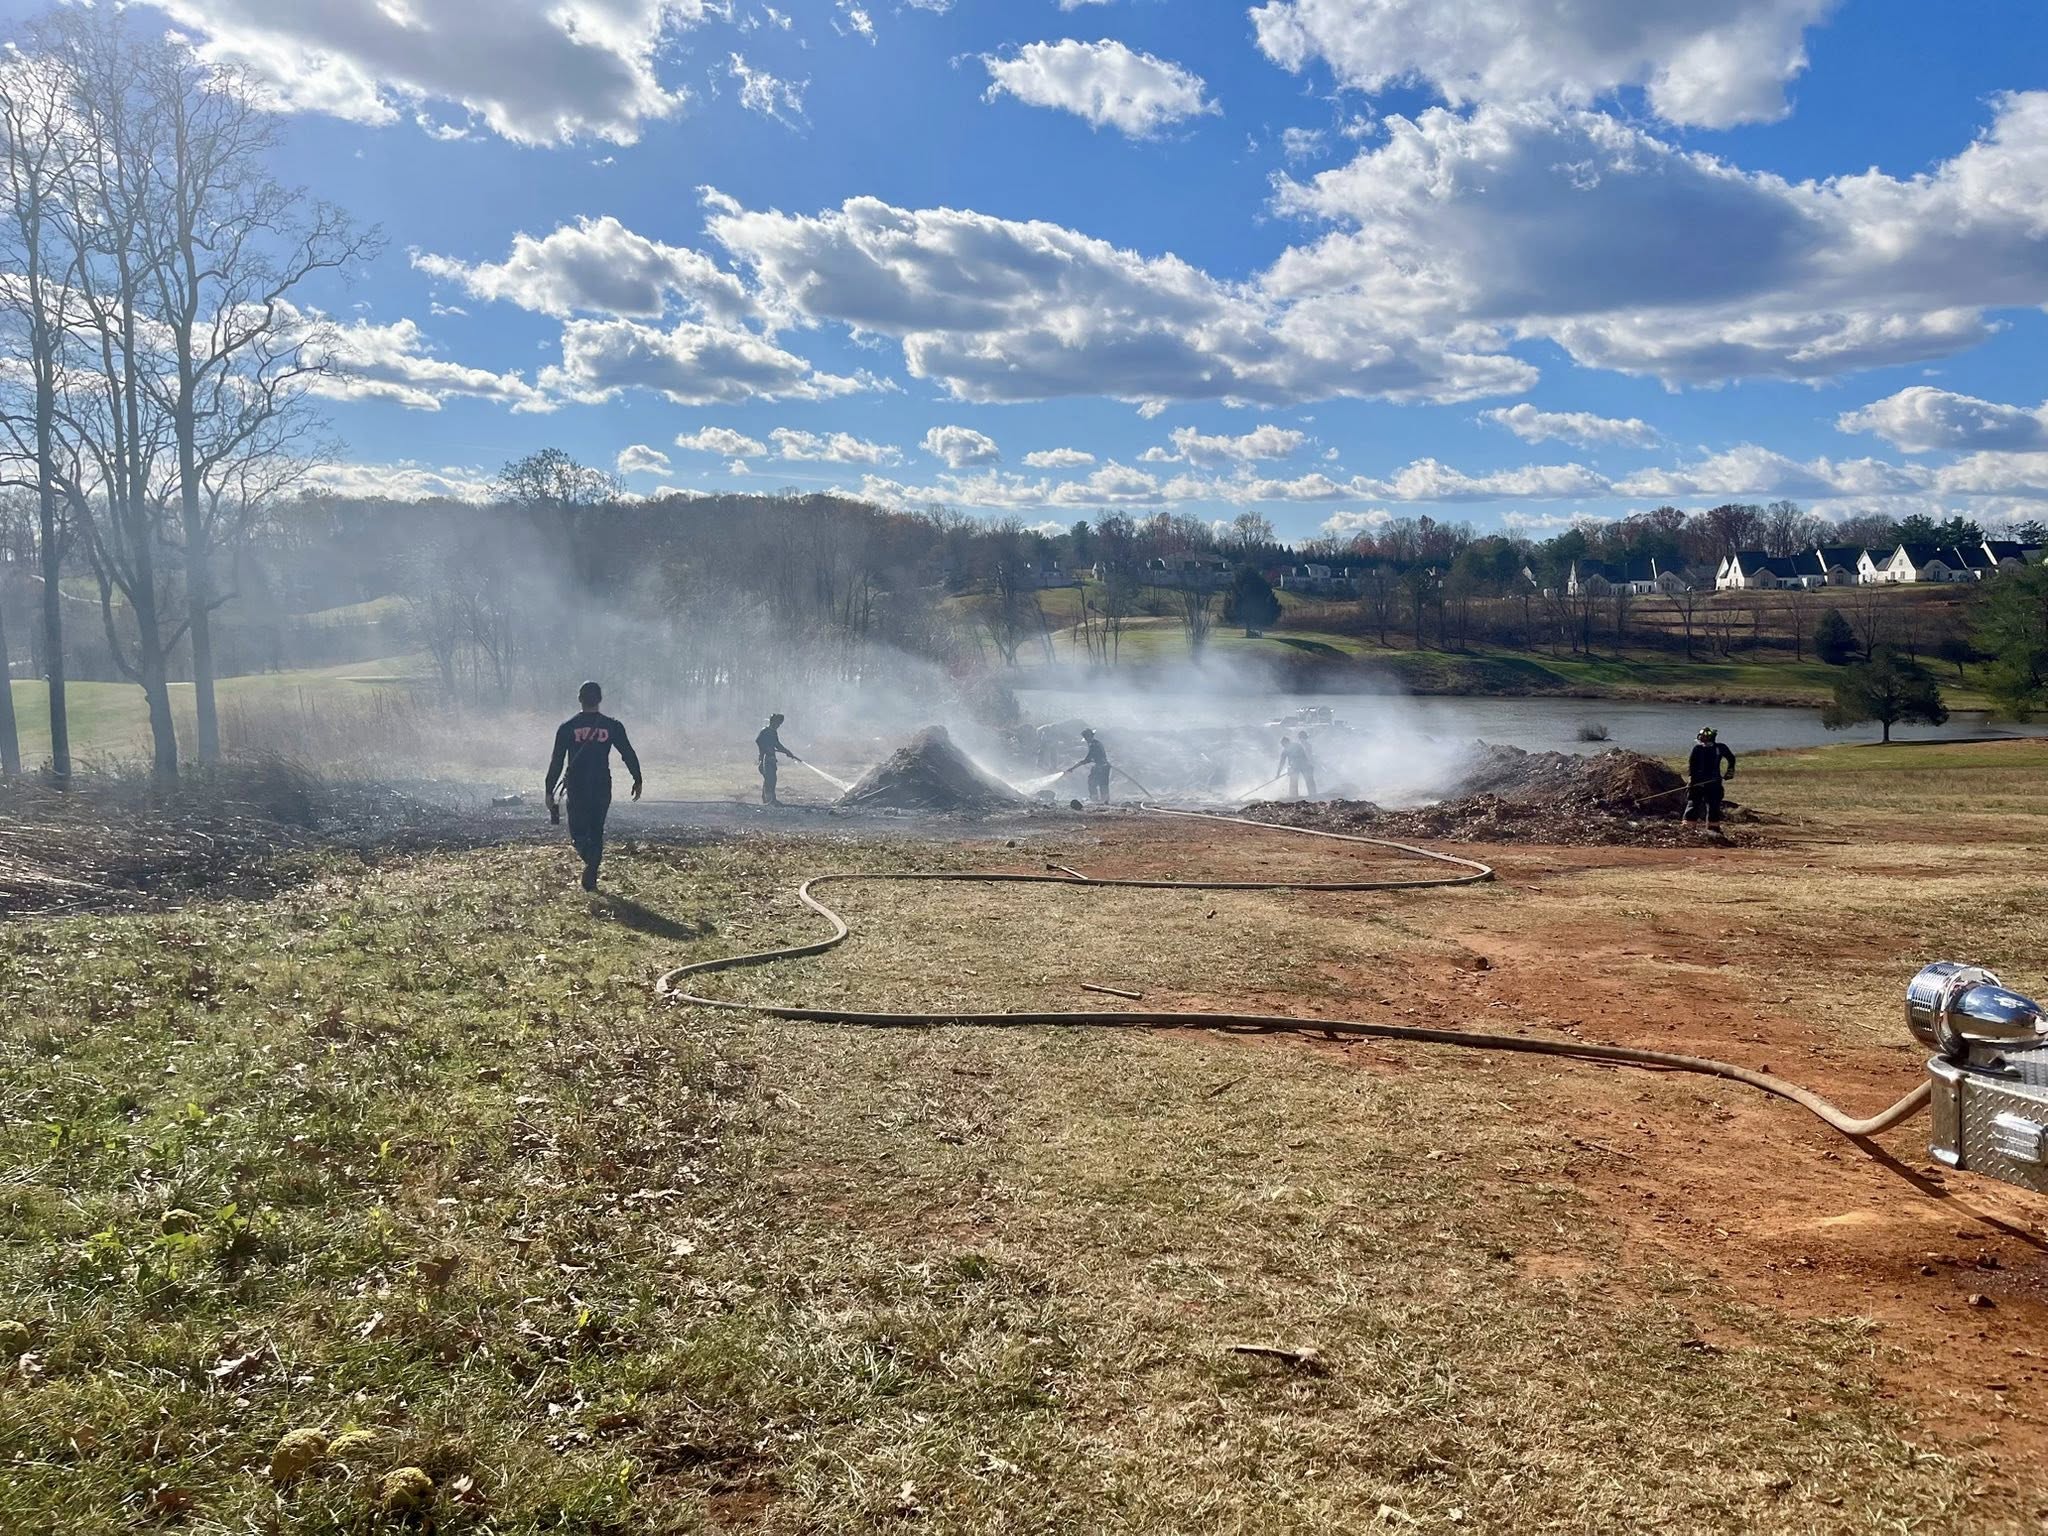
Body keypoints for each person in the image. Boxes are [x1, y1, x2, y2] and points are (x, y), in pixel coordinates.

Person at [545, 681, 642, 891]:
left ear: (579, 699)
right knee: (596, 830)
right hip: (602, 785)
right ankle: (592, 870)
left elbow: (557, 761)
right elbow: (628, 753)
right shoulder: (613, 726)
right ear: (599, 700)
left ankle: (590, 859)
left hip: (577, 787)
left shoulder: (567, 728)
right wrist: (637, 778)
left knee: (578, 833)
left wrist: (548, 790)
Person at [1682, 725, 1737, 837]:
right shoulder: (1697, 749)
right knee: (1693, 804)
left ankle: (1713, 830)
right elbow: (1692, 765)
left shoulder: (1720, 748)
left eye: (1703, 737)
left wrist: (1730, 771)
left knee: (1713, 806)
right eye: (1701, 737)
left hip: (1714, 782)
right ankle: (1688, 829)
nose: (1701, 739)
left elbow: (1731, 758)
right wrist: (1692, 780)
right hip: (1698, 782)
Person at [755, 712, 800, 805]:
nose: (778, 725)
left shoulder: (773, 732)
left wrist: (787, 752)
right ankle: (768, 800)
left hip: (771, 758)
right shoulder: (765, 731)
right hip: (765, 758)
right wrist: (766, 749)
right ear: (772, 722)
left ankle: (770, 799)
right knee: (769, 779)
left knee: (772, 779)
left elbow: (777, 745)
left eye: (779, 724)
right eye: (777, 723)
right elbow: (758, 741)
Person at [1065, 727, 1113, 804]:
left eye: (1086, 737)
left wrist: (1073, 768)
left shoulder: (1093, 745)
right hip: (1105, 766)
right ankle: (1105, 800)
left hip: (1100, 766)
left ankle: (1095, 799)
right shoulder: (1097, 743)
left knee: (1092, 782)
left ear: (1089, 737)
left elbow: (1087, 759)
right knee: (1103, 783)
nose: (1086, 739)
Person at [1277, 733, 1317, 800]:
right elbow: (1282, 763)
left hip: (1304, 765)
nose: (1283, 746)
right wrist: (1278, 773)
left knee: (1309, 780)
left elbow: (1303, 756)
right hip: (1295, 767)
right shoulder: (1285, 751)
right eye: (1283, 745)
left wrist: (1294, 766)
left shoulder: (1297, 746)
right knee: (1293, 782)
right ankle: (1294, 797)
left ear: (1287, 742)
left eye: (1283, 744)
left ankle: (1313, 795)